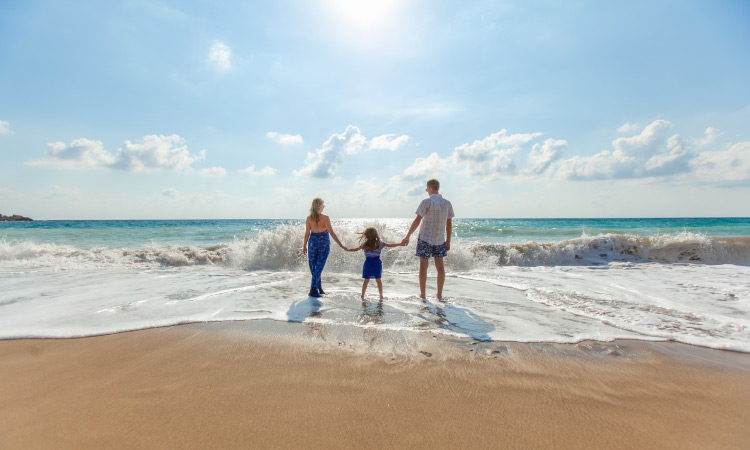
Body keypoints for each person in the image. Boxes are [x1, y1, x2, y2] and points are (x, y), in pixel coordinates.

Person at [401, 179, 454, 300]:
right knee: (440, 267)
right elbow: (449, 225)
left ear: (429, 188)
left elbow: (417, 221)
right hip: (440, 239)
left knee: (423, 267)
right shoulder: (447, 203)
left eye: (426, 189)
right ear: (437, 188)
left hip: (425, 238)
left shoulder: (426, 202)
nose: (427, 191)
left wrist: (408, 236)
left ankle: (423, 295)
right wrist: (448, 240)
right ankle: (439, 295)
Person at [303, 198, 345, 298]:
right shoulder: (325, 218)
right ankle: (313, 290)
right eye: (323, 205)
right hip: (323, 244)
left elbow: (307, 234)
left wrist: (304, 246)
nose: (324, 207)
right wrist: (340, 244)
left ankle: (319, 288)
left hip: (312, 243)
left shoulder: (309, 218)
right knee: (318, 268)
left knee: (315, 268)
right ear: (320, 207)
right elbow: (331, 232)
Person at [346, 227, 403, 299]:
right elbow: (390, 245)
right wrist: (400, 244)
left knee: (366, 281)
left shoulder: (365, 245)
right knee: (378, 280)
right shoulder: (379, 244)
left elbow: (355, 249)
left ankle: (362, 295)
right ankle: (381, 296)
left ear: (366, 235)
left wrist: (347, 249)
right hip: (377, 264)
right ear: (376, 235)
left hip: (368, 264)